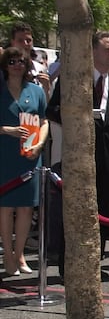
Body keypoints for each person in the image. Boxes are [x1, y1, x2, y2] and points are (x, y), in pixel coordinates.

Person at [46, 30, 109, 260]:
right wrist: (79, 121)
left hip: (108, 157)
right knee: (74, 207)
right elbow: (52, 110)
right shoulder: (73, 79)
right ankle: (67, 262)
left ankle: (96, 258)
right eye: (107, 49)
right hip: (77, 153)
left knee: (102, 205)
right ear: (93, 51)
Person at [0, 47, 49, 276]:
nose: (17, 64)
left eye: (20, 60)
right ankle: (8, 255)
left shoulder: (36, 91)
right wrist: (6, 130)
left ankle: (20, 255)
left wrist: (40, 143)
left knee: (26, 208)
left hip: (29, 156)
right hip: (5, 155)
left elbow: (44, 121)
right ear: (5, 64)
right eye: (11, 61)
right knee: (6, 208)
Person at [9, 22, 50, 98]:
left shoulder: (41, 69)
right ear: (13, 42)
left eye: (28, 40)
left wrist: (46, 88)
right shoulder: (6, 68)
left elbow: (45, 104)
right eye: (20, 40)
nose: (25, 44)